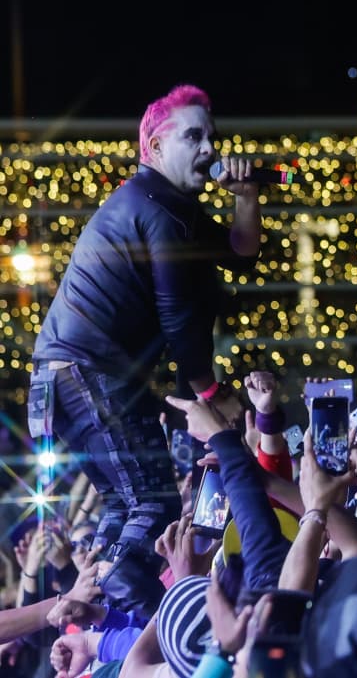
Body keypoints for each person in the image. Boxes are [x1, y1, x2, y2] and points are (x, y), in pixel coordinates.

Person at [30, 84, 262, 618]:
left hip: (68, 376)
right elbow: (178, 316)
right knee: (155, 501)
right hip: (89, 373)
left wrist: (247, 196)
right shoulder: (155, 211)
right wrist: (211, 394)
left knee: (127, 503)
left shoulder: (168, 205)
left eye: (213, 135)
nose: (210, 147)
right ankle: (124, 613)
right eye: (193, 136)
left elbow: (240, 252)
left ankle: (94, 612)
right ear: (154, 148)